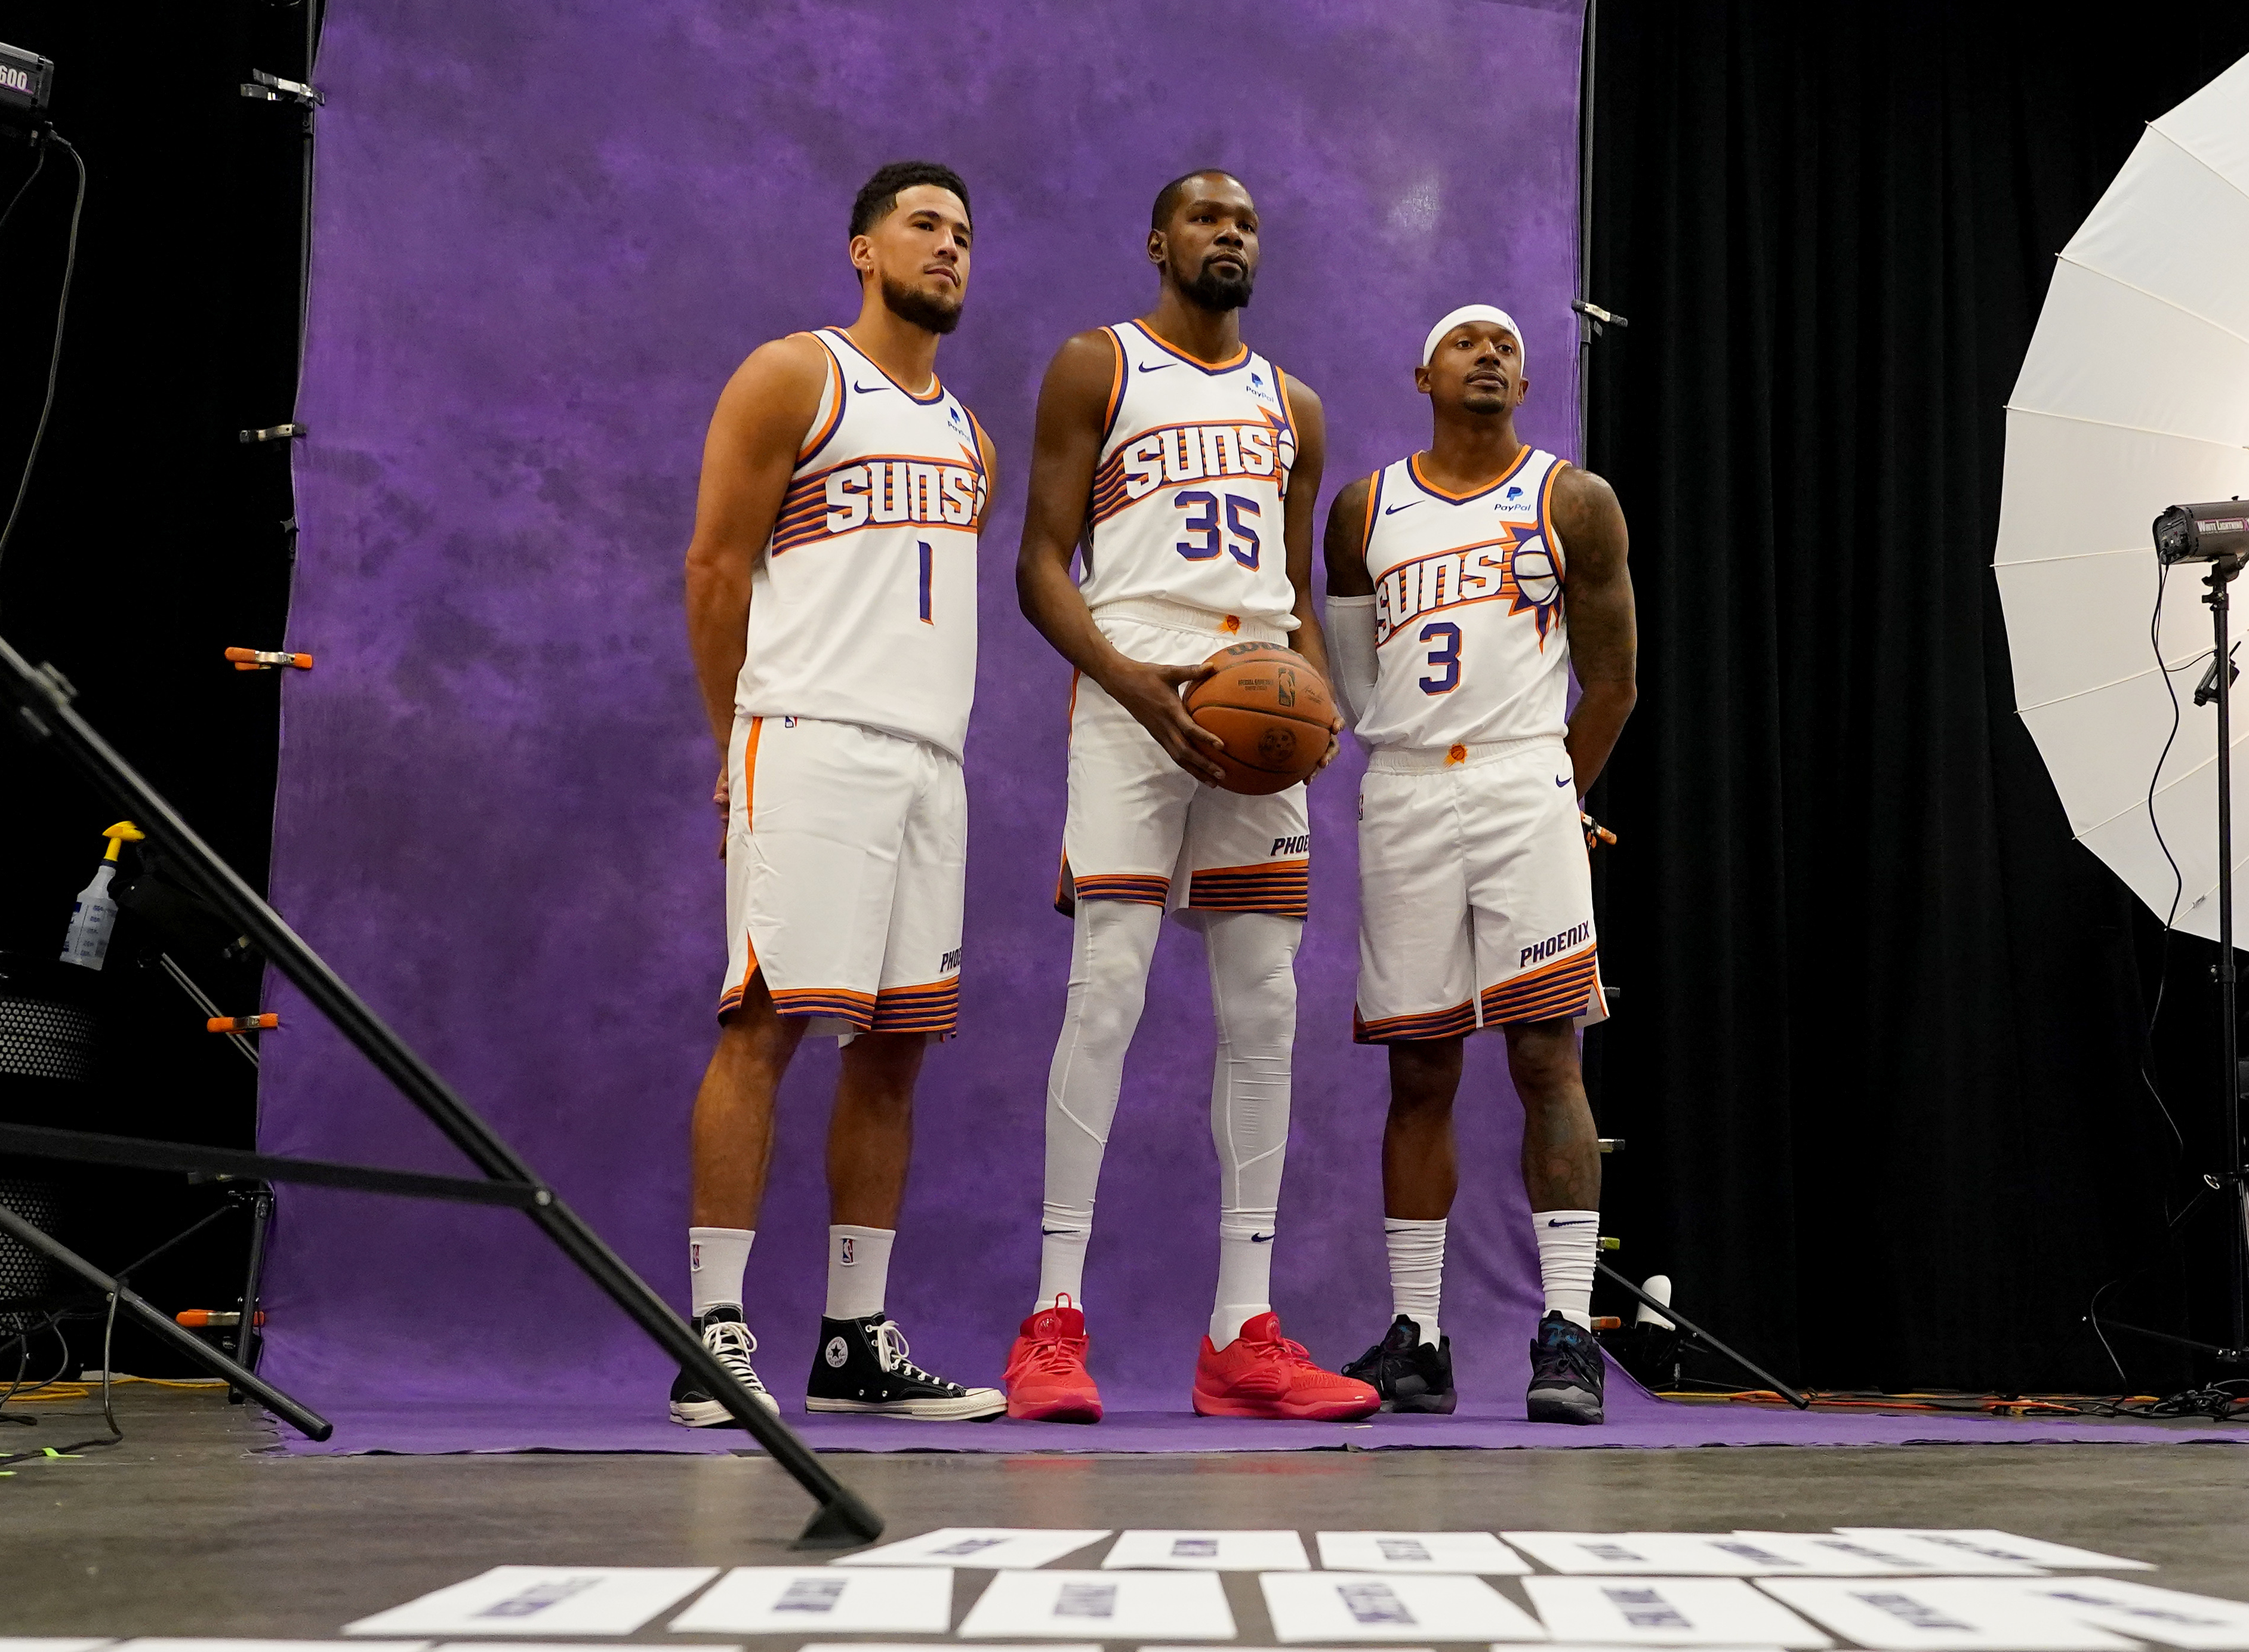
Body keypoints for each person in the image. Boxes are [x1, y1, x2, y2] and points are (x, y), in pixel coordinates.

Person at [1000, 168, 1376, 1423]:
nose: (1230, 234)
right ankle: (1053, 1319)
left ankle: (1242, 1332)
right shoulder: (1095, 365)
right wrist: (1127, 680)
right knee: (1106, 989)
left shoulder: (1295, 405)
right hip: (1132, 692)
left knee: (1266, 1009)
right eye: (1208, 218)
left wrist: (1316, 707)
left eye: (1249, 221)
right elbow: (1040, 565)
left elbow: (1289, 587)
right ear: (1160, 239)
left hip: (1257, 713)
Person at [668, 161, 1005, 1426]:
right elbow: (713, 568)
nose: (950, 249)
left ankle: (854, 1337)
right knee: (765, 1023)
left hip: (931, 759)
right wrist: (733, 735)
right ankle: (713, 1332)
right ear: (863, 248)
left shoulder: (971, 436)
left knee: (899, 1047)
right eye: (925, 226)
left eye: (966, 234)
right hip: (806, 733)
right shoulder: (797, 374)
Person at [1323, 305, 1640, 1423]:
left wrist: (1560, 794)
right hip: (1407, 785)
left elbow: (1612, 684)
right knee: (1418, 1071)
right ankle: (1419, 1338)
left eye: (1505, 343)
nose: (1491, 354)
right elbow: (1353, 682)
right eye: (1466, 341)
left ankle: (1564, 1335)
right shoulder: (1363, 508)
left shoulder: (1572, 500)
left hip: (1520, 781)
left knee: (1546, 1056)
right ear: (1422, 373)